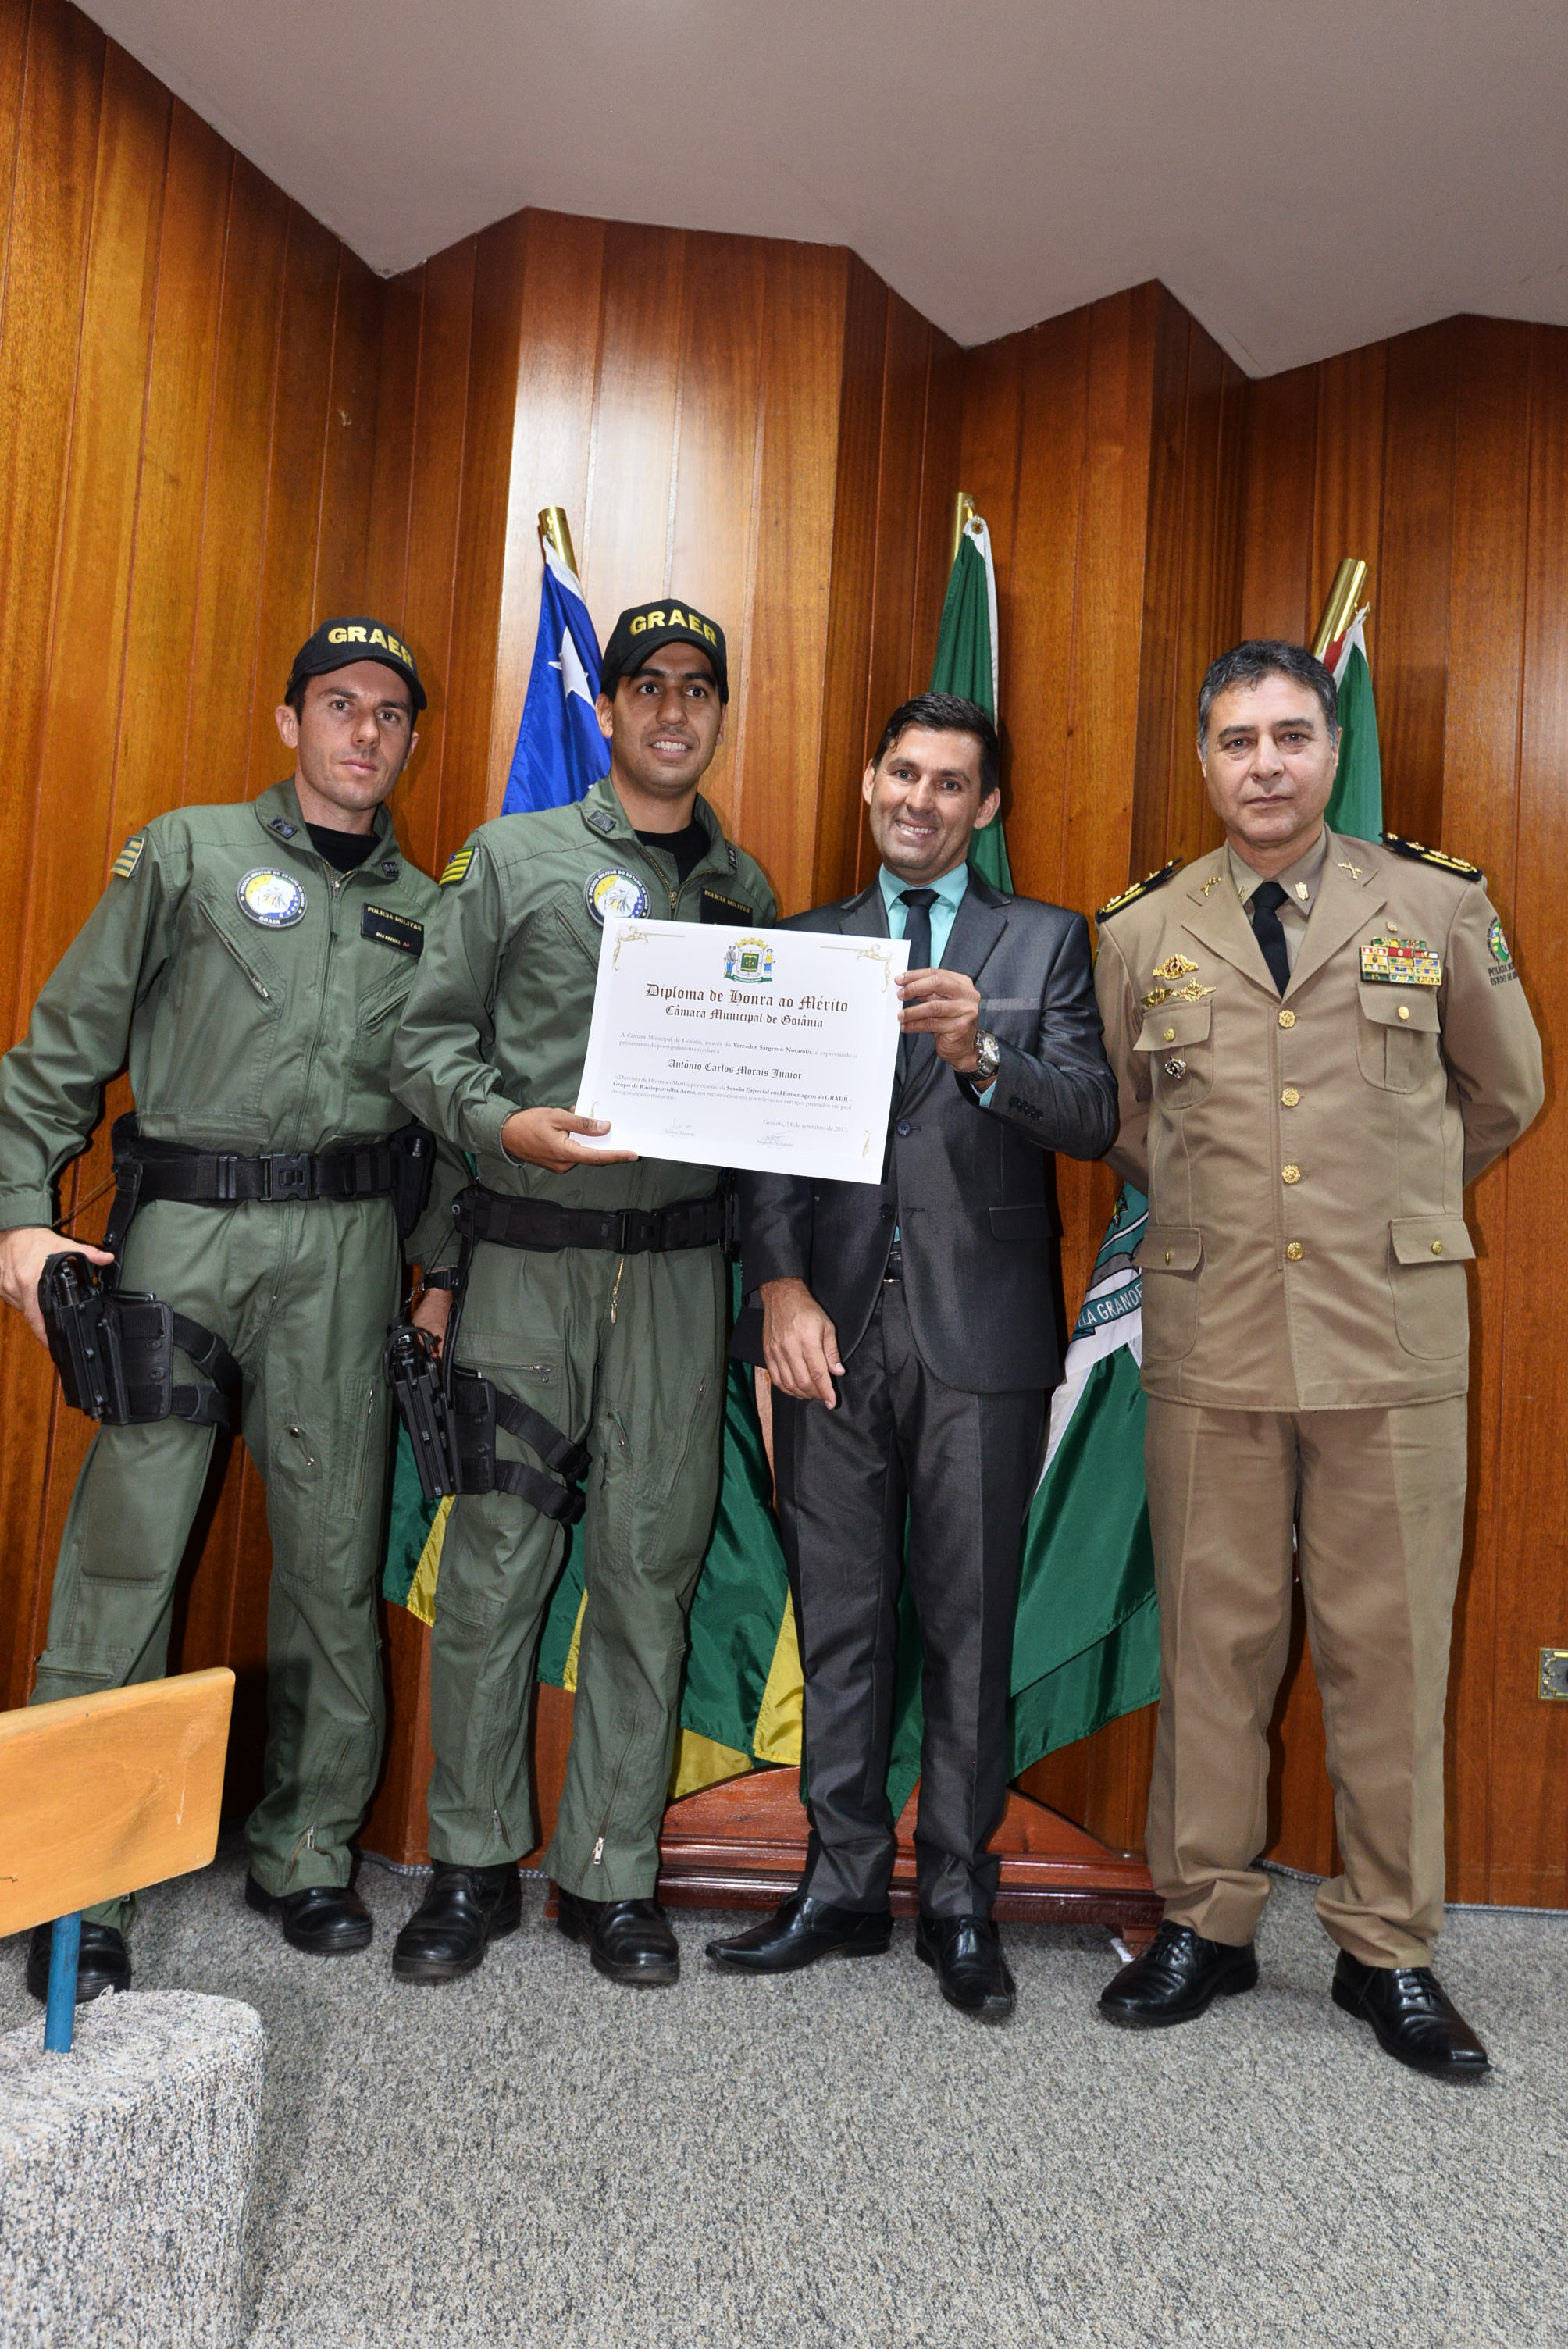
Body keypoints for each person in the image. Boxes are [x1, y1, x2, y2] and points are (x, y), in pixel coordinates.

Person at [1093, 639, 1543, 2076]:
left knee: (1389, 1655)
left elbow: (1504, 1092)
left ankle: (1386, 1950)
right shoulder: (1142, 931)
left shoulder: (1438, 904)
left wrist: (1380, 1206)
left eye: (1292, 735)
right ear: (1205, 760)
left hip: (1385, 1337)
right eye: (1238, 741)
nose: (1267, 765)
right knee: (1211, 1647)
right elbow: (1128, 1119)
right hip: (1215, 1332)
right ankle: (1205, 1922)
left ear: (1332, 751)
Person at [0, 618, 461, 2002]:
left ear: (410, 739)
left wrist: (441, 1270)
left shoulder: (431, 910)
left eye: (390, 713)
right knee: (127, 1555)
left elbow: (448, 1106)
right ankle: (80, 1882)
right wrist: (20, 1214)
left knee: (331, 1553)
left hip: (349, 1252)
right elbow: (61, 1046)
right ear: (289, 720)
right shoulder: (187, 855)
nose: (365, 731)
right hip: (183, 1239)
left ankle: (307, 1849)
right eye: (340, 704)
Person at [707, 692, 1117, 2021]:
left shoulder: (1046, 941)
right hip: (823, 1335)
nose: (921, 799)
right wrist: (778, 1288)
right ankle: (837, 1885)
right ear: (869, 783)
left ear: (984, 807)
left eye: (951, 782)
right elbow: (759, 1144)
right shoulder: (800, 943)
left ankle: (956, 1898)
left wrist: (981, 1050)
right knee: (839, 1620)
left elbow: (1091, 1116)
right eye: (903, 773)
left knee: (969, 1626)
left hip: (980, 1339)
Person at [389, 597, 775, 1988]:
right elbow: (421, 1047)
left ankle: (611, 1874)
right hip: (527, 1263)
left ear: (718, 714)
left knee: (648, 1573)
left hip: (677, 1275)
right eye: (646, 685)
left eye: (697, 688)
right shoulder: (513, 858)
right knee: (496, 1562)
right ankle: (470, 1863)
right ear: (605, 710)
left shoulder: (746, 894)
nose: (673, 709)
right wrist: (506, 1126)